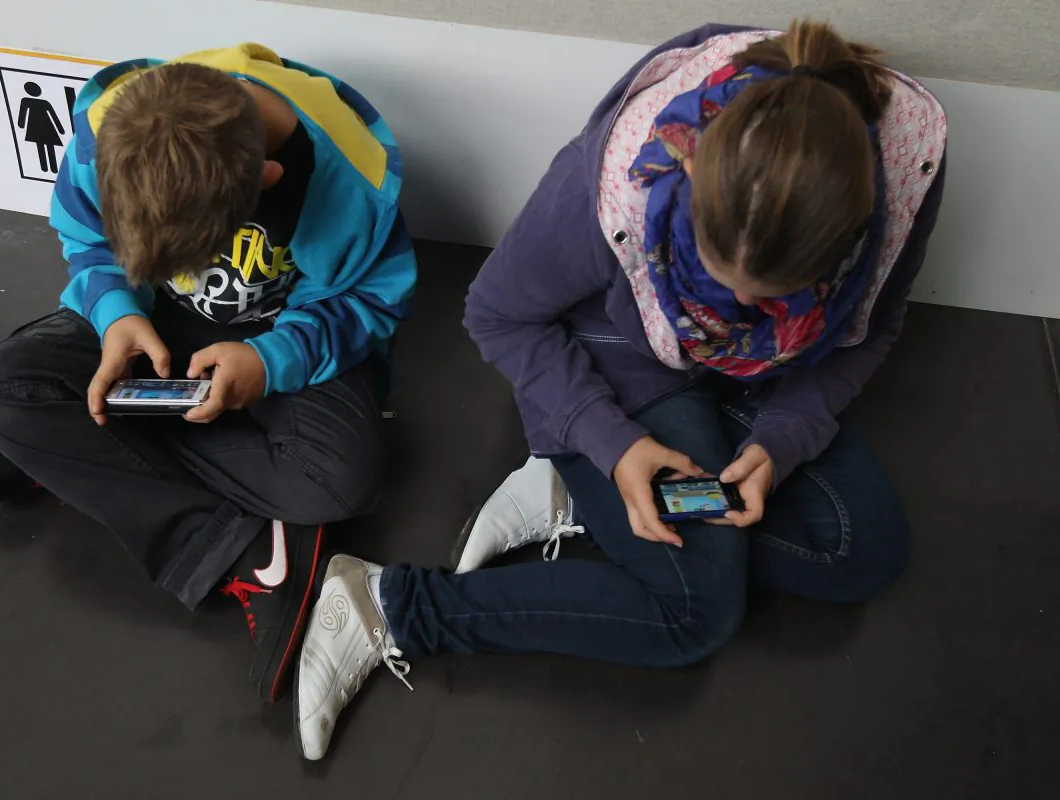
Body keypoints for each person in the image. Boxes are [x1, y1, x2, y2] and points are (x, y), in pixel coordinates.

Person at [289, 21, 947, 760]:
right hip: (615, 359)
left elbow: (873, 329)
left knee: (862, 554)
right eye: (716, 283)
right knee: (695, 615)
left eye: (773, 302)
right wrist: (612, 440)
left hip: (760, 375)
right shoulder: (615, 182)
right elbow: (497, 314)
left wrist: (782, 438)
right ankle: (387, 608)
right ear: (689, 177)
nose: (737, 311)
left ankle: (585, 499)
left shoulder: (899, 170)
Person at [0, 44, 416, 704]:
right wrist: (117, 312)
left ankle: (87, 452)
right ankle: (247, 548)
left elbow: (369, 303)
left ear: (263, 179)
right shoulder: (109, 129)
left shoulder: (346, 174)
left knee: (340, 481)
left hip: (289, 337)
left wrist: (268, 361)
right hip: (155, 325)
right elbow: (89, 241)